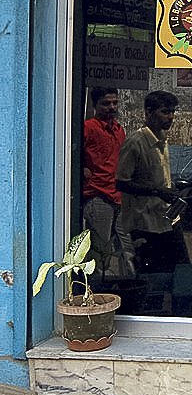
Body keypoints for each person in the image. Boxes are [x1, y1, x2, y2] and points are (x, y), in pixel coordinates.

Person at [116, 90, 190, 274]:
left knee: (180, 271)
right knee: (153, 276)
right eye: (165, 112)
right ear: (148, 113)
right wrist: (157, 191)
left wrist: (170, 191)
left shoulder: (162, 140)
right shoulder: (136, 142)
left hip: (168, 219)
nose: (170, 117)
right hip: (146, 224)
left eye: (172, 112)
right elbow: (121, 182)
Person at [81, 86, 134, 277]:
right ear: (95, 105)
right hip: (98, 196)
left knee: (127, 247)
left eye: (114, 103)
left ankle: (128, 287)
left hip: (119, 195)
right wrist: (83, 169)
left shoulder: (119, 130)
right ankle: (96, 292)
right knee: (100, 250)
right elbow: (72, 154)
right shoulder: (88, 128)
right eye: (106, 103)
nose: (111, 107)